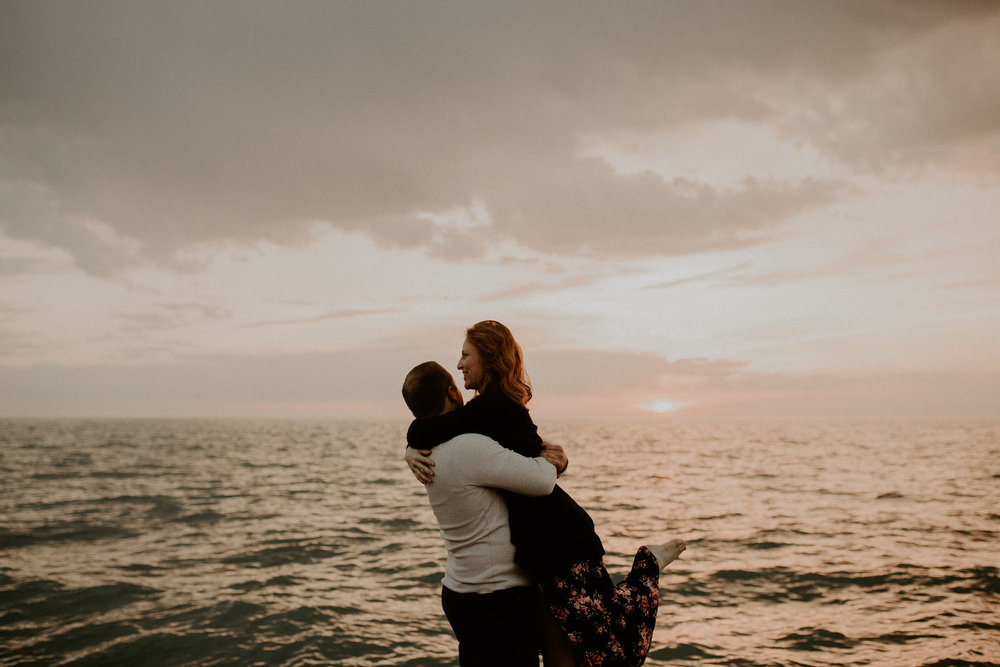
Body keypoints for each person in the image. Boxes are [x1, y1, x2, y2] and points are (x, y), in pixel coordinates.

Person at [406, 321, 686, 667]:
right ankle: (648, 566)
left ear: (489, 357)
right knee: (569, 641)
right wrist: (410, 449)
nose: (460, 363)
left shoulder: (486, 410)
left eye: (466, 355)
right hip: (539, 543)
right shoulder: (491, 411)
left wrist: (411, 444)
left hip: (557, 541)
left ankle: (648, 566)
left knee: (601, 642)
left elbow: (429, 427)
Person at [401, 360, 570, 667]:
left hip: (459, 591)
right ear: (453, 392)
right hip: (495, 598)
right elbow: (542, 482)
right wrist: (554, 460)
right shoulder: (470, 446)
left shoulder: (427, 451)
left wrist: (408, 449)